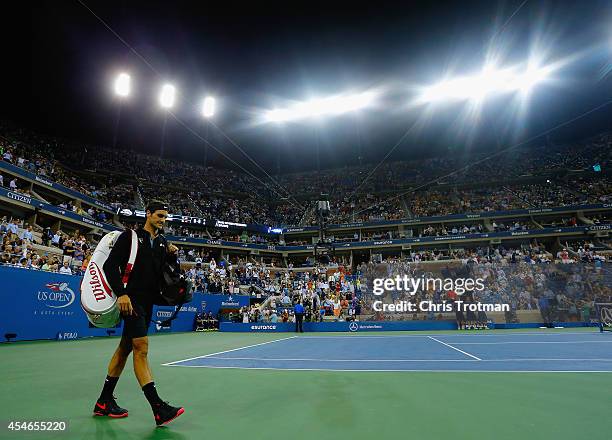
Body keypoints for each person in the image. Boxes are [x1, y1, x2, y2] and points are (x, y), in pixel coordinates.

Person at [93, 201, 185, 426]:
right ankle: (158, 407)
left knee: (125, 348)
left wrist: (172, 255)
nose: (162, 220)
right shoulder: (130, 237)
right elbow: (109, 266)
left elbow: (164, 273)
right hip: (131, 301)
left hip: (147, 303)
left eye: (165, 217)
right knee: (141, 349)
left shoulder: (162, 243)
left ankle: (104, 401)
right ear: (148, 214)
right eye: (159, 215)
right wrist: (122, 294)